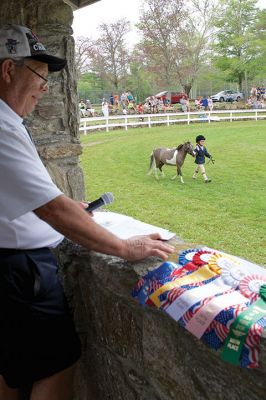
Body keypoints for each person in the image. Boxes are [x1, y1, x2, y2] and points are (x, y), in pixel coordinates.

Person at [0, 24, 174, 400]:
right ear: (7, 70)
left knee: (12, 372)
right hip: (18, 272)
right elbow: (53, 209)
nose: (45, 88)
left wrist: (63, 208)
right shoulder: (2, 127)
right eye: (39, 75)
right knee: (56, 365)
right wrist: (126, 249)